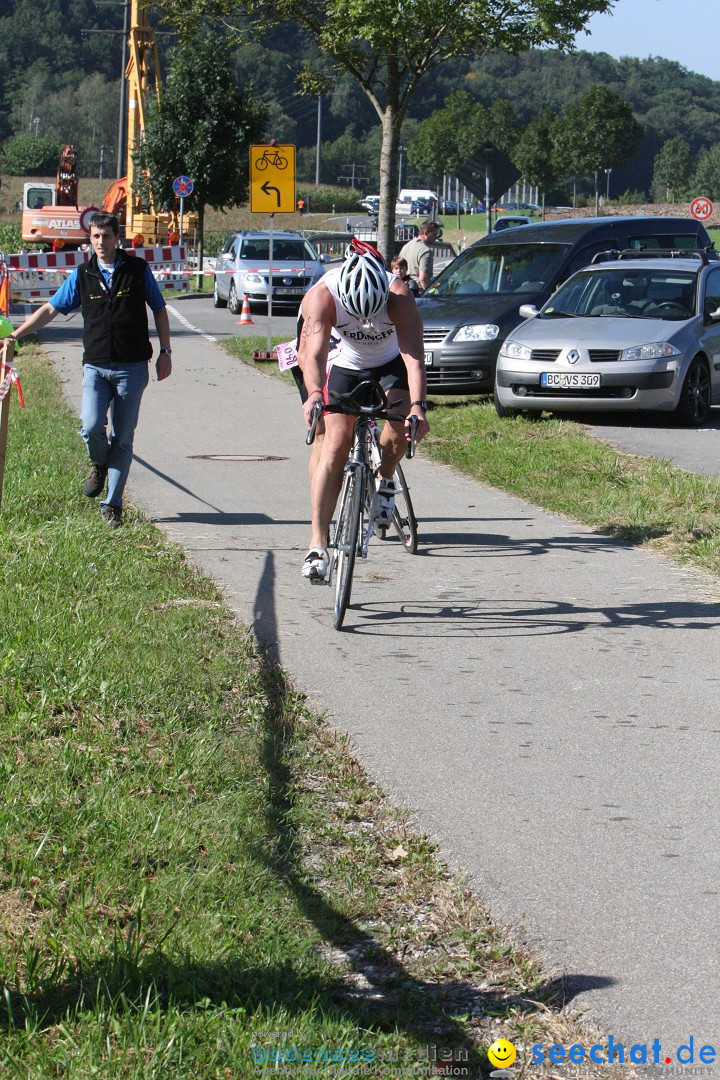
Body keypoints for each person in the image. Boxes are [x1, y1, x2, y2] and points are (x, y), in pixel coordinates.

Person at [4, 211, 171, 529]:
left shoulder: (137, 270)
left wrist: (165, 352)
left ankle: (112, 505)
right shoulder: (83, 275)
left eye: (105, 236)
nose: (100, 242)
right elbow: (51, 309)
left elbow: (160, 309)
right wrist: (15, 334)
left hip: (132, 368)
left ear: (116, 237)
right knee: (91, 426)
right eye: (94, 236)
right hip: (95, 366)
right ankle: (98, 463)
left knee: (122, 439)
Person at [296, 239, 429, 582]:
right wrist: (313, 394)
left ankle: (384, 478)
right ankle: (317, 543)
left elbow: (414, 359)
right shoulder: (322, 295)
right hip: (346, 363)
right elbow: (312, 356)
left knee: (401, 427)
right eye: (359, 316)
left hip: (390, 362)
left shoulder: (398, 295)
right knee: (335, 445)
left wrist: (418, 408)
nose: (367, 323)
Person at [398, 218, 440, 293]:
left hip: (403, 290)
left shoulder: (406, 246)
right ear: (426, 233)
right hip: (418, 292)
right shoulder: (426, 251)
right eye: (434, 234)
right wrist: (430, 294)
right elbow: (423, 279)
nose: (435, 238)